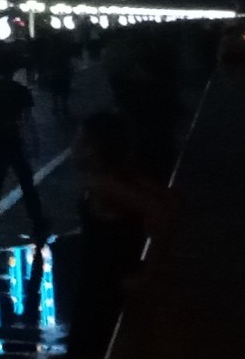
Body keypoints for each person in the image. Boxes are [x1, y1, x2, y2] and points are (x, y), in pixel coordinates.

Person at [65, 111, 175, 359]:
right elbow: (172, 203)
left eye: (80, 142)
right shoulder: (120, 176)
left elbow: (161, 213)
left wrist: (150, 272)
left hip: (104, 285)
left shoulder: (103, 184)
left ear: (95, 150)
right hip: (111, 278)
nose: (73, 148)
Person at [0, 61, 46, 244]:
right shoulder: (19, 90)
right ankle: (37, 220)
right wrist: (34, 139)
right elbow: (28, 118)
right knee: (26, 181)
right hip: (14, 138)